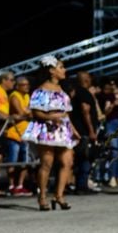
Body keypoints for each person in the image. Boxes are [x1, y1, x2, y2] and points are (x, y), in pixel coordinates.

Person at [22, 56, 77, 211]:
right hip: (47, 129)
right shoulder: (41, 90)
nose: (64, 70)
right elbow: (36, 112)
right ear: (52, 71)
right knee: (47, 163)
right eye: (61, 67)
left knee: (67, 162)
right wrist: (51, 117)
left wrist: (73, 129)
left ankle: (59, 196)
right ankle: (42, 197)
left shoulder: (62, 90)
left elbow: (66, 113)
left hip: (63, 129)